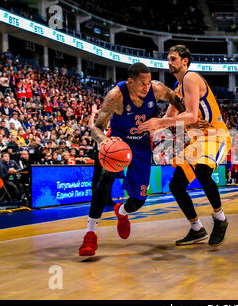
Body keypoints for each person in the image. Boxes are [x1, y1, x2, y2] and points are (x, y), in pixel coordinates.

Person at [79, 62, 186, 256]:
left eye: (148, 82)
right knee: (102, 184)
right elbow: (96, 127)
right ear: (130, 82)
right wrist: (104, 141)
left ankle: (122, 212)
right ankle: (90, 234)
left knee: (138, 200)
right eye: (142, 83)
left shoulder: (157, 89)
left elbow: (178, 101)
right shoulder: (116, 95)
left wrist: (173, 120)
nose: (147, 87)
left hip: (142, 145)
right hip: (118, 142)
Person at [139, 44, 231, 246]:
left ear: (185, 61)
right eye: (169, 59)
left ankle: (220, 219)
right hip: (198, 140)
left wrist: (162, 123)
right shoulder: (177, 89)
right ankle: (197, 229)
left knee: (203, 172)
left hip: (215, 135)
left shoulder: (191, 78)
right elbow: (168, 118)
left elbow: (189, 115)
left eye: (173, 58)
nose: (169, 62)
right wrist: (147, 127)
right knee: (176, 185)